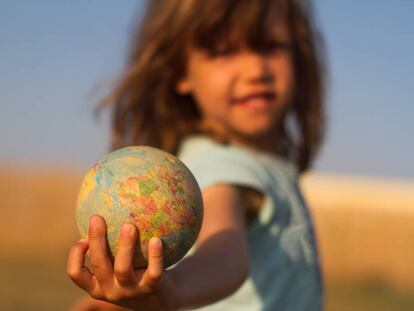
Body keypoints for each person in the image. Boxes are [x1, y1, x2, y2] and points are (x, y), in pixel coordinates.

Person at [67, 0, 327, 310]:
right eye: (222, 52)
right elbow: (225, 251)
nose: (255, 69)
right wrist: (176, 287)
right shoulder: (224, 165)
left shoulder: (262, 163)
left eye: (271, 46)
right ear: (180, 72)